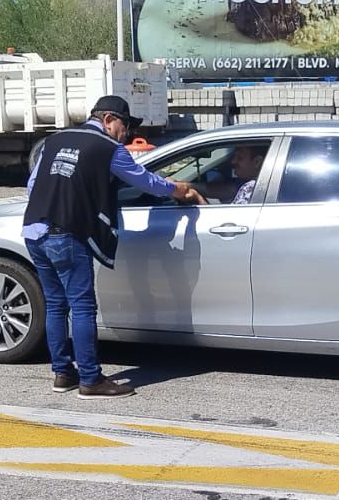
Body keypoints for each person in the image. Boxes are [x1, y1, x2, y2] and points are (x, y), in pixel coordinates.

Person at [23, 96, 204, 399]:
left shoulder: (54, 140)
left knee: (56, 305)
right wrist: (178, 189)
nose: (127, 133)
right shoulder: (108, 148)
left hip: (34, 231)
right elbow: (144, 181)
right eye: (125, 125)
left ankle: (63, 374)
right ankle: (91, 380)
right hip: (66, 235)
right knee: (82, 307)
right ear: (108, 119)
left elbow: (32, 186)